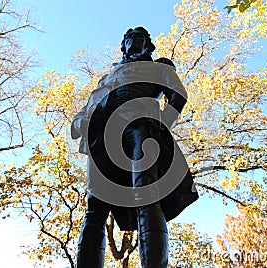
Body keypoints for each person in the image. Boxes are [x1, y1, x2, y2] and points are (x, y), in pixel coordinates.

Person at [71, 26, 198, 268]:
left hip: (140, 128)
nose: (133, 41)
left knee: (146, 195)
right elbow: (87, 108)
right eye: (129, 38)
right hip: (102, 138)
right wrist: (80, 123)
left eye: (139, 38)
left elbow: (177, 94)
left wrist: (163, 124)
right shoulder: (107, 77)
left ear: (147, 45)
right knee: (95, 207)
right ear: (123, 45)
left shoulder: (159, 67)